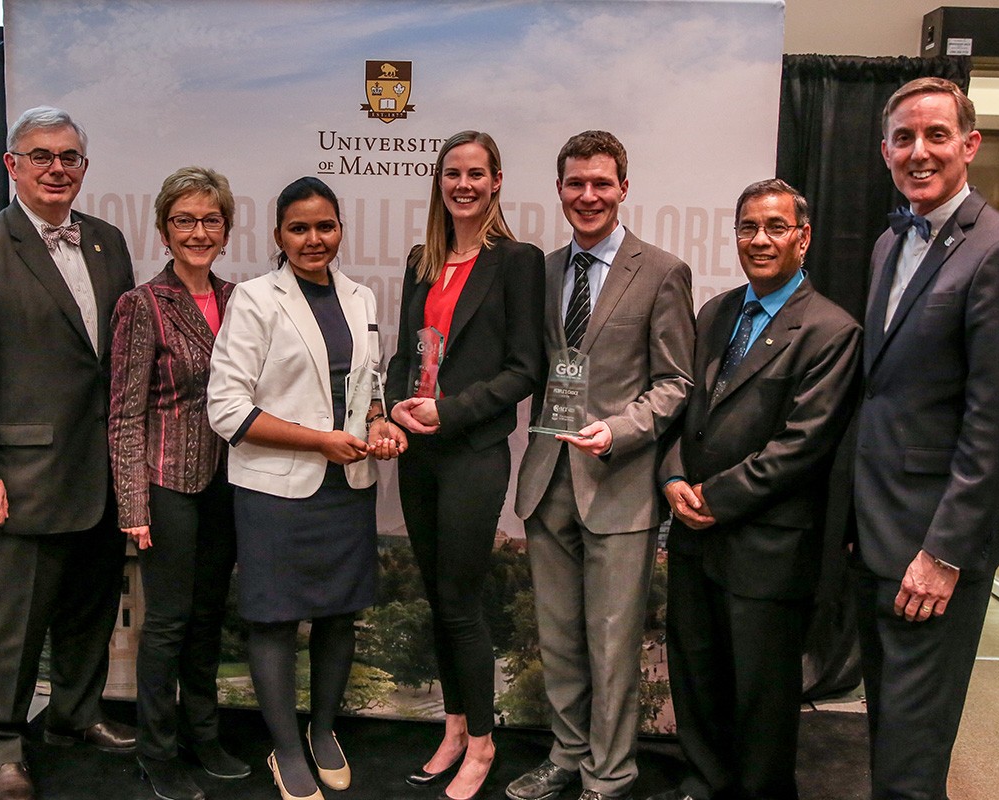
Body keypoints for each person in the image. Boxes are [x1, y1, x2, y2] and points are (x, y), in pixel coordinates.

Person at [0, 106, 136, 800]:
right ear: (12, 165)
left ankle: (74, 716)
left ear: (84, 167)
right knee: (9, 632)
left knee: (88, 613)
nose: (56, 168)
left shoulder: (107, 243)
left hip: (97, 474)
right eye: (40, 155)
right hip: (15, 483)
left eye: (69, 156)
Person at [851, 77, 999, 800]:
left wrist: (943, 554)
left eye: (936, 135)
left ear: (969, 145)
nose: (919, 152)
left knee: (912, 761)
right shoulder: (887, 242)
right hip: (879, 536)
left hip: (935, 552)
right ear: (884, 151)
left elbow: (994, 426)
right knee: (887, 739)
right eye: (904, 138)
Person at [653, 179, 862, 800]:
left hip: (767, 550)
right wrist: (670, 476)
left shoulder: (831, 330)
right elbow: (682, 408)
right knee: (697, 678)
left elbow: (802, 446)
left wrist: (711, 500)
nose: (760, 239)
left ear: (804, 237)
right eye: (748, 227)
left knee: (762, 699)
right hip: (695, 539)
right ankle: (703, 782)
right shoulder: (716, 313)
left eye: (775, 227)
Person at [506, 130, 695, 800]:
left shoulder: (663, 271)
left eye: (601, 183)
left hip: (619, 485)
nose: (588, 196)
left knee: (613, 648)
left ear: (623, 187)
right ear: (559, 189)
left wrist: (618, 430)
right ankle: (566, 755)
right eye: (575, 183)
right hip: (545, 479)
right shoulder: (544, 269)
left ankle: (609, 777)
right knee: (557, 639)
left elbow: (677, 383)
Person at [207, 176, 404, 800]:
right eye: (299, 228)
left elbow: (368, 384)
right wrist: (318, 441)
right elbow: (226, 409)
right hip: (276, 490)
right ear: (277, 236)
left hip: (348, 484)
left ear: (341, 229)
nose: (313, 239)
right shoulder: (256, 300)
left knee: (339, 615)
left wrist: (379, 419)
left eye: (325, 226)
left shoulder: (361, 297)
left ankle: (323, 731)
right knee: (273, 620)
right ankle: (286, 749)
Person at [385, 131, 545, 800]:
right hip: (418, 454)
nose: (464, 185)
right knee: (437, 597)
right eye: (453, 173)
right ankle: (453, 725)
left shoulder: (518, 261)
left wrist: (448, 412)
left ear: (497, 180)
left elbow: (524, 370)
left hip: (472, 450)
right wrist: (394, 405)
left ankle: (482, 741)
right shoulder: (424, 259)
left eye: (476, 173)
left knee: (461, 600)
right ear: (439, 181)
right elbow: (401, 355)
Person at [108, 166, 248, 800]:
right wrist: (134, 506)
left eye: (210, 219)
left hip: (231, 484)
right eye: (184, 220)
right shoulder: (142, 305)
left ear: (226, 228)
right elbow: (124, 415)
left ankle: (204, 735)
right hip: (168, 483)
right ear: (164, 229)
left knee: (209, 617)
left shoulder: (241, 297)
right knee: (167, 621)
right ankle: (157, 751)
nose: (198, 231)